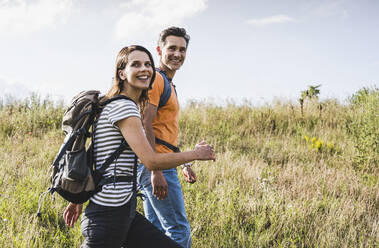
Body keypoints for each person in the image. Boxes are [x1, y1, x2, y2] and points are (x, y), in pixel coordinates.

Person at [63, 45, 215, 248]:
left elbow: (97, 156)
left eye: (148, 64)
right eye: (136, 64)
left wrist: (78, 199)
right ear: (122, 73)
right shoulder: (123, 106)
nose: (144, 69)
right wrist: (195, 154)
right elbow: (151, 160)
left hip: (123, 214)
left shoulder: (115, 105)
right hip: (109, 216)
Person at [137, 27, 196, 248]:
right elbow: (145, 124)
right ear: (159, 50)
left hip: (157, 162)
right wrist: (156, 170)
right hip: (156, 164)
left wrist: (184, 162)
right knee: (178, 230)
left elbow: (163, 131)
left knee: (156, 233)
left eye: (182, 49)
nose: (177, 54)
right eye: (172, 48)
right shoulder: (157, 80)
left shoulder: (168, 83)